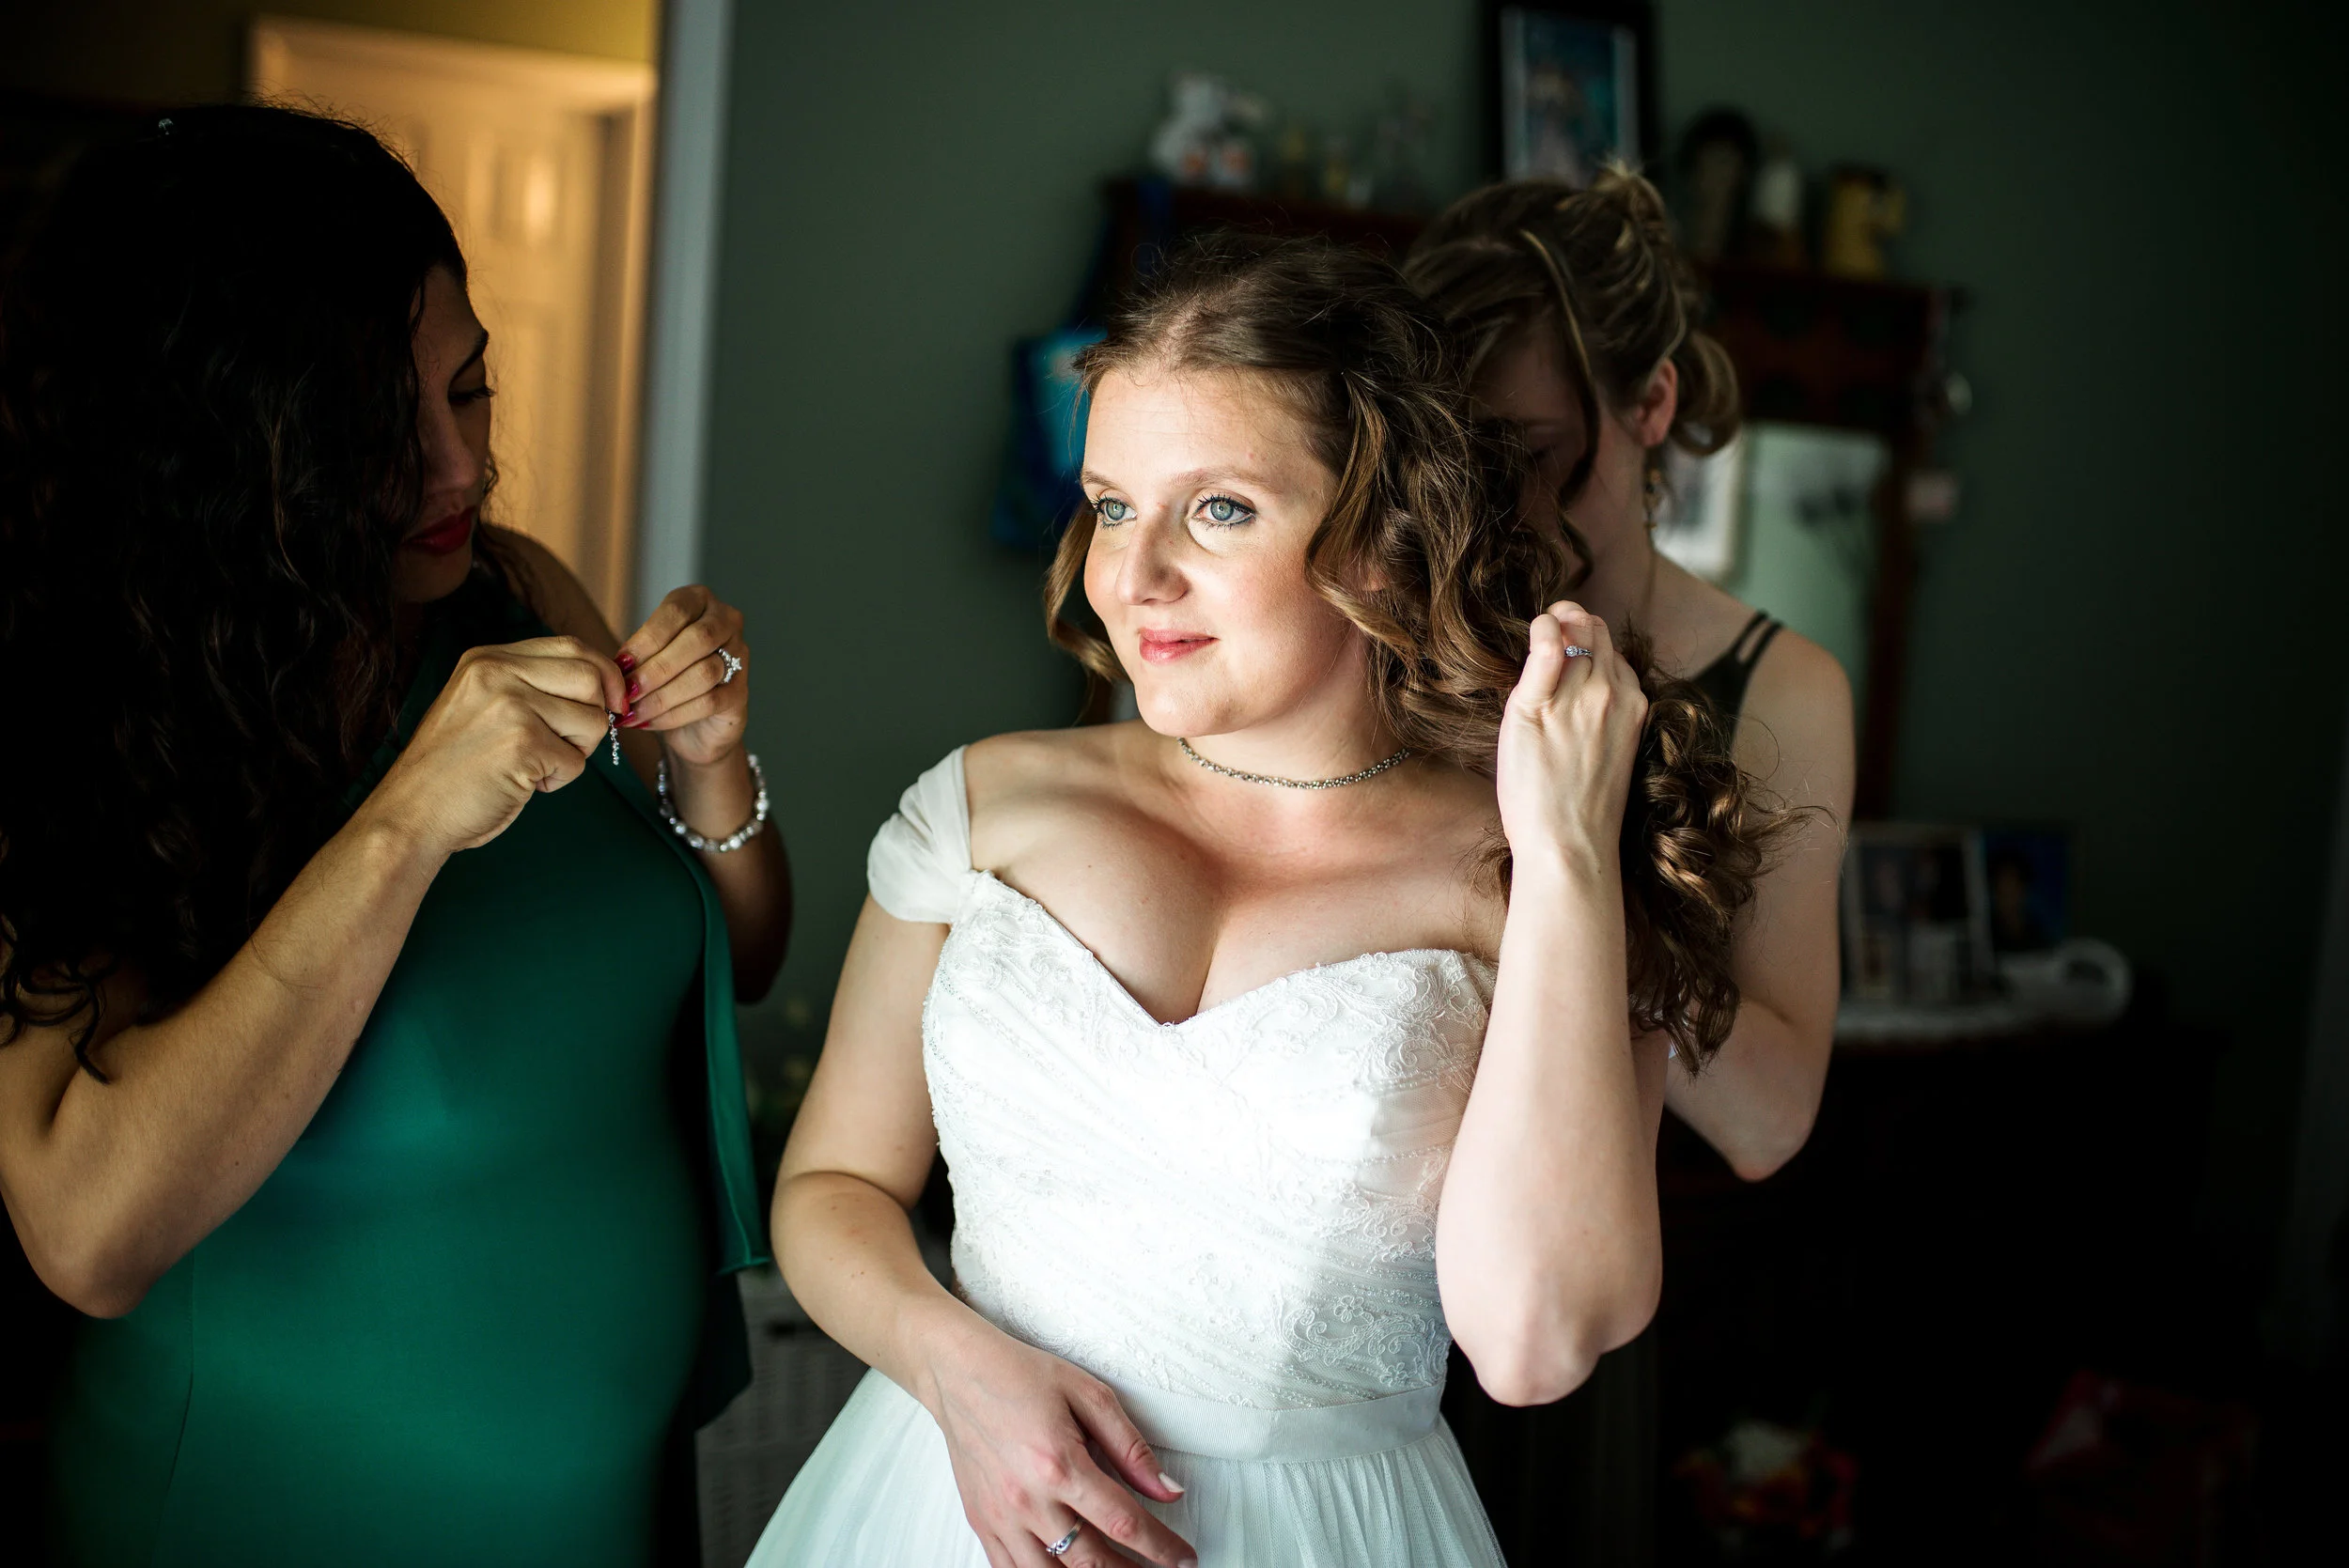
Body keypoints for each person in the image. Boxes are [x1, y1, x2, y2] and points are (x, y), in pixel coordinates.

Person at [747, 235, 1781, 1568]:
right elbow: (831, 1183)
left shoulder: (1529, 873)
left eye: (1219, 509)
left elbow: (1535, 1343)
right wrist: (955, 1369)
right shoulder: (986, 808)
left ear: (1385, 538)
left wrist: (1573, 853)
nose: (1132, 576)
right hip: (937, 1495)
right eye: (1111, 505)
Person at [0, 105, 787, 1567]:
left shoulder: (515, 592)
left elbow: (738, 957)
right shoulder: (94, 716)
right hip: (262, 1514)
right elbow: (88, 1234)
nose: (458, 468)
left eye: (470, 391)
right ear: (218, 445)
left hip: (602, 1513)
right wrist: (409, 818)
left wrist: (713, 765)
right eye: (378, 425)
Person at [1403, 169, 1856, 1563]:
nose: (1505, 510)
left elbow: (1768, 1117)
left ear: (1650, 404)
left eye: (1541, 454)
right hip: (1334, 1292)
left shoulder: (1780, 693)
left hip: (1561, 1309)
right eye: (1465, 462)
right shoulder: (1397, 648)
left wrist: (1589, 860)